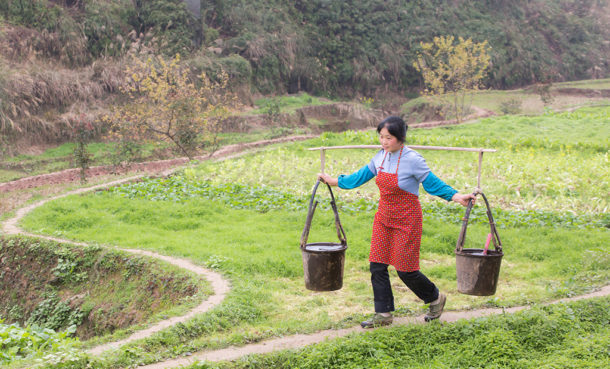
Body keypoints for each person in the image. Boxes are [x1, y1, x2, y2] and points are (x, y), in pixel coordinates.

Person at [318, 116, 475, 328]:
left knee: (405, 269)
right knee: (377, 265)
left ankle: (435, 298)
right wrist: (334, 181)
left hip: (407, 220)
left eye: (388, 138)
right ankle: (383, 314)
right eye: (381, 137)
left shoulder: (413, 159)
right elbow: (359, 177)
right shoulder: (380, 158)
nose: (383, 142)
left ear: (400, 137)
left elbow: (432, 184)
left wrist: (456, 196)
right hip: (384, 218)